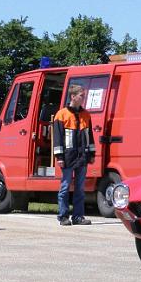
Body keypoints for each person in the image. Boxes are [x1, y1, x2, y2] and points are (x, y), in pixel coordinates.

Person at [53, 84, 95, 226]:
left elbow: (90, 136)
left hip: (82, 156)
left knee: (80, 188)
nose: (83, 98)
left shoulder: (86, 115)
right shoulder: (62, 114)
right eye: (81, 95)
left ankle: (78, 217)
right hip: (67, 157)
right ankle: (63, 216)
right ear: (73, 96)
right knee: (65, 187)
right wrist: (59, 157)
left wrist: (92, 153)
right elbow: (58, 138)